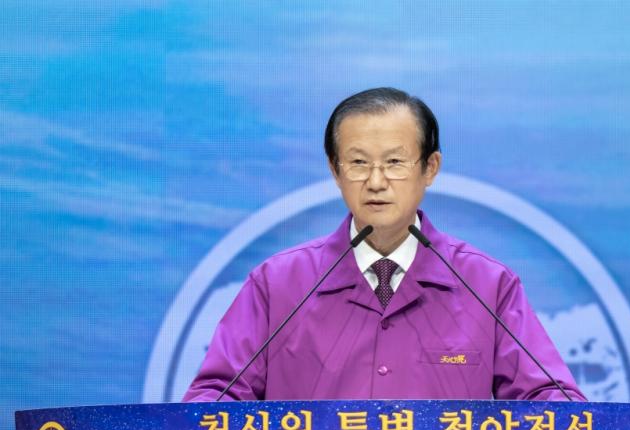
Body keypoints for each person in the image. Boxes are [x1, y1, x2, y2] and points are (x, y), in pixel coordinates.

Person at [183, 87, 585, 402]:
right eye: (358, 163)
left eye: (394, 163)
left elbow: (549, 400)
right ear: (335, 170)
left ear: (430, 168)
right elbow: (216, 398)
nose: (376, 182)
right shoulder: (278, 284)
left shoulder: (488, 285)